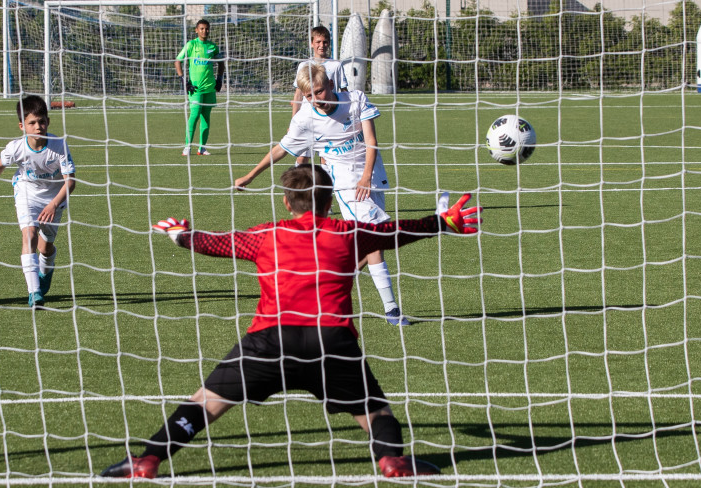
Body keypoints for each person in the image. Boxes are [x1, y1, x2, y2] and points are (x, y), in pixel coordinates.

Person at [100, 164, 481, 479]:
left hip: (269, 342)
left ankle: (147, 460)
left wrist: (181, 235)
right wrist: (442, 222)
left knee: (204, 403)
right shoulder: (349, 233)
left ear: (286, 201)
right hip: (331, 342)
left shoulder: (265, 235)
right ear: (330, 201)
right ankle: (391, 460)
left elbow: (213, 243)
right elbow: (397, 231)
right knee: (376, 412)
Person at [235, 62, 409, 326]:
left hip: (373, 175)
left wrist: (366, 177)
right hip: (346, 182)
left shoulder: (356, 100)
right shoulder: (305, 118)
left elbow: (371, 142)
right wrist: (250, 175)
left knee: (371, 242)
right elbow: (281, 148)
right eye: (308, 96)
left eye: (319, 92)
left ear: (331, 85)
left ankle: (318, 290)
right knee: (374, 237)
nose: (316, 100)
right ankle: (392, 310)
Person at [0, 95, 76, 307]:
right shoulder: (16, 147)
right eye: (32, 122)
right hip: (26, 194)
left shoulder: (59, 145)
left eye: (41, 121)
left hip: (53, 199)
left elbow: (70, 183)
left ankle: (45, 271)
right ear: (22, 126)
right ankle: (34, 292)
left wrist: (53, 204)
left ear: (48, 121)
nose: (38, 126)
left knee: (45, 248)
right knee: (29, 235)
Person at [291, 25, 348, 165]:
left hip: (329, 118)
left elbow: (344, 92)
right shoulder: (304, 65)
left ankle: (325, 186)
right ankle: (302, 186)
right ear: (312, 43)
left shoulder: (336, 65)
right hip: (307, 118)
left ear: (329, 43)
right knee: (302, 158)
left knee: (327, 158)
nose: (321, 45)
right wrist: (293, 121)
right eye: (318, 42)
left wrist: (347, 115)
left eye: (325, 42)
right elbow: (298, 95)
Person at [175, 19, 223, 157]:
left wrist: (219, 78)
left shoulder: (213, 47)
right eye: (201, 29)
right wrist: (184, 80)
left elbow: (221, 63)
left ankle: (202, 148)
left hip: (209, 87)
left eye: (207, 29)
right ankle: (187, 147)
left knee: (206, 117)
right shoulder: (191, 45)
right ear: (196, 30)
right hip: (195, 89)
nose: (204, 31)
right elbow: (178, 61)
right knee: (194, 115)